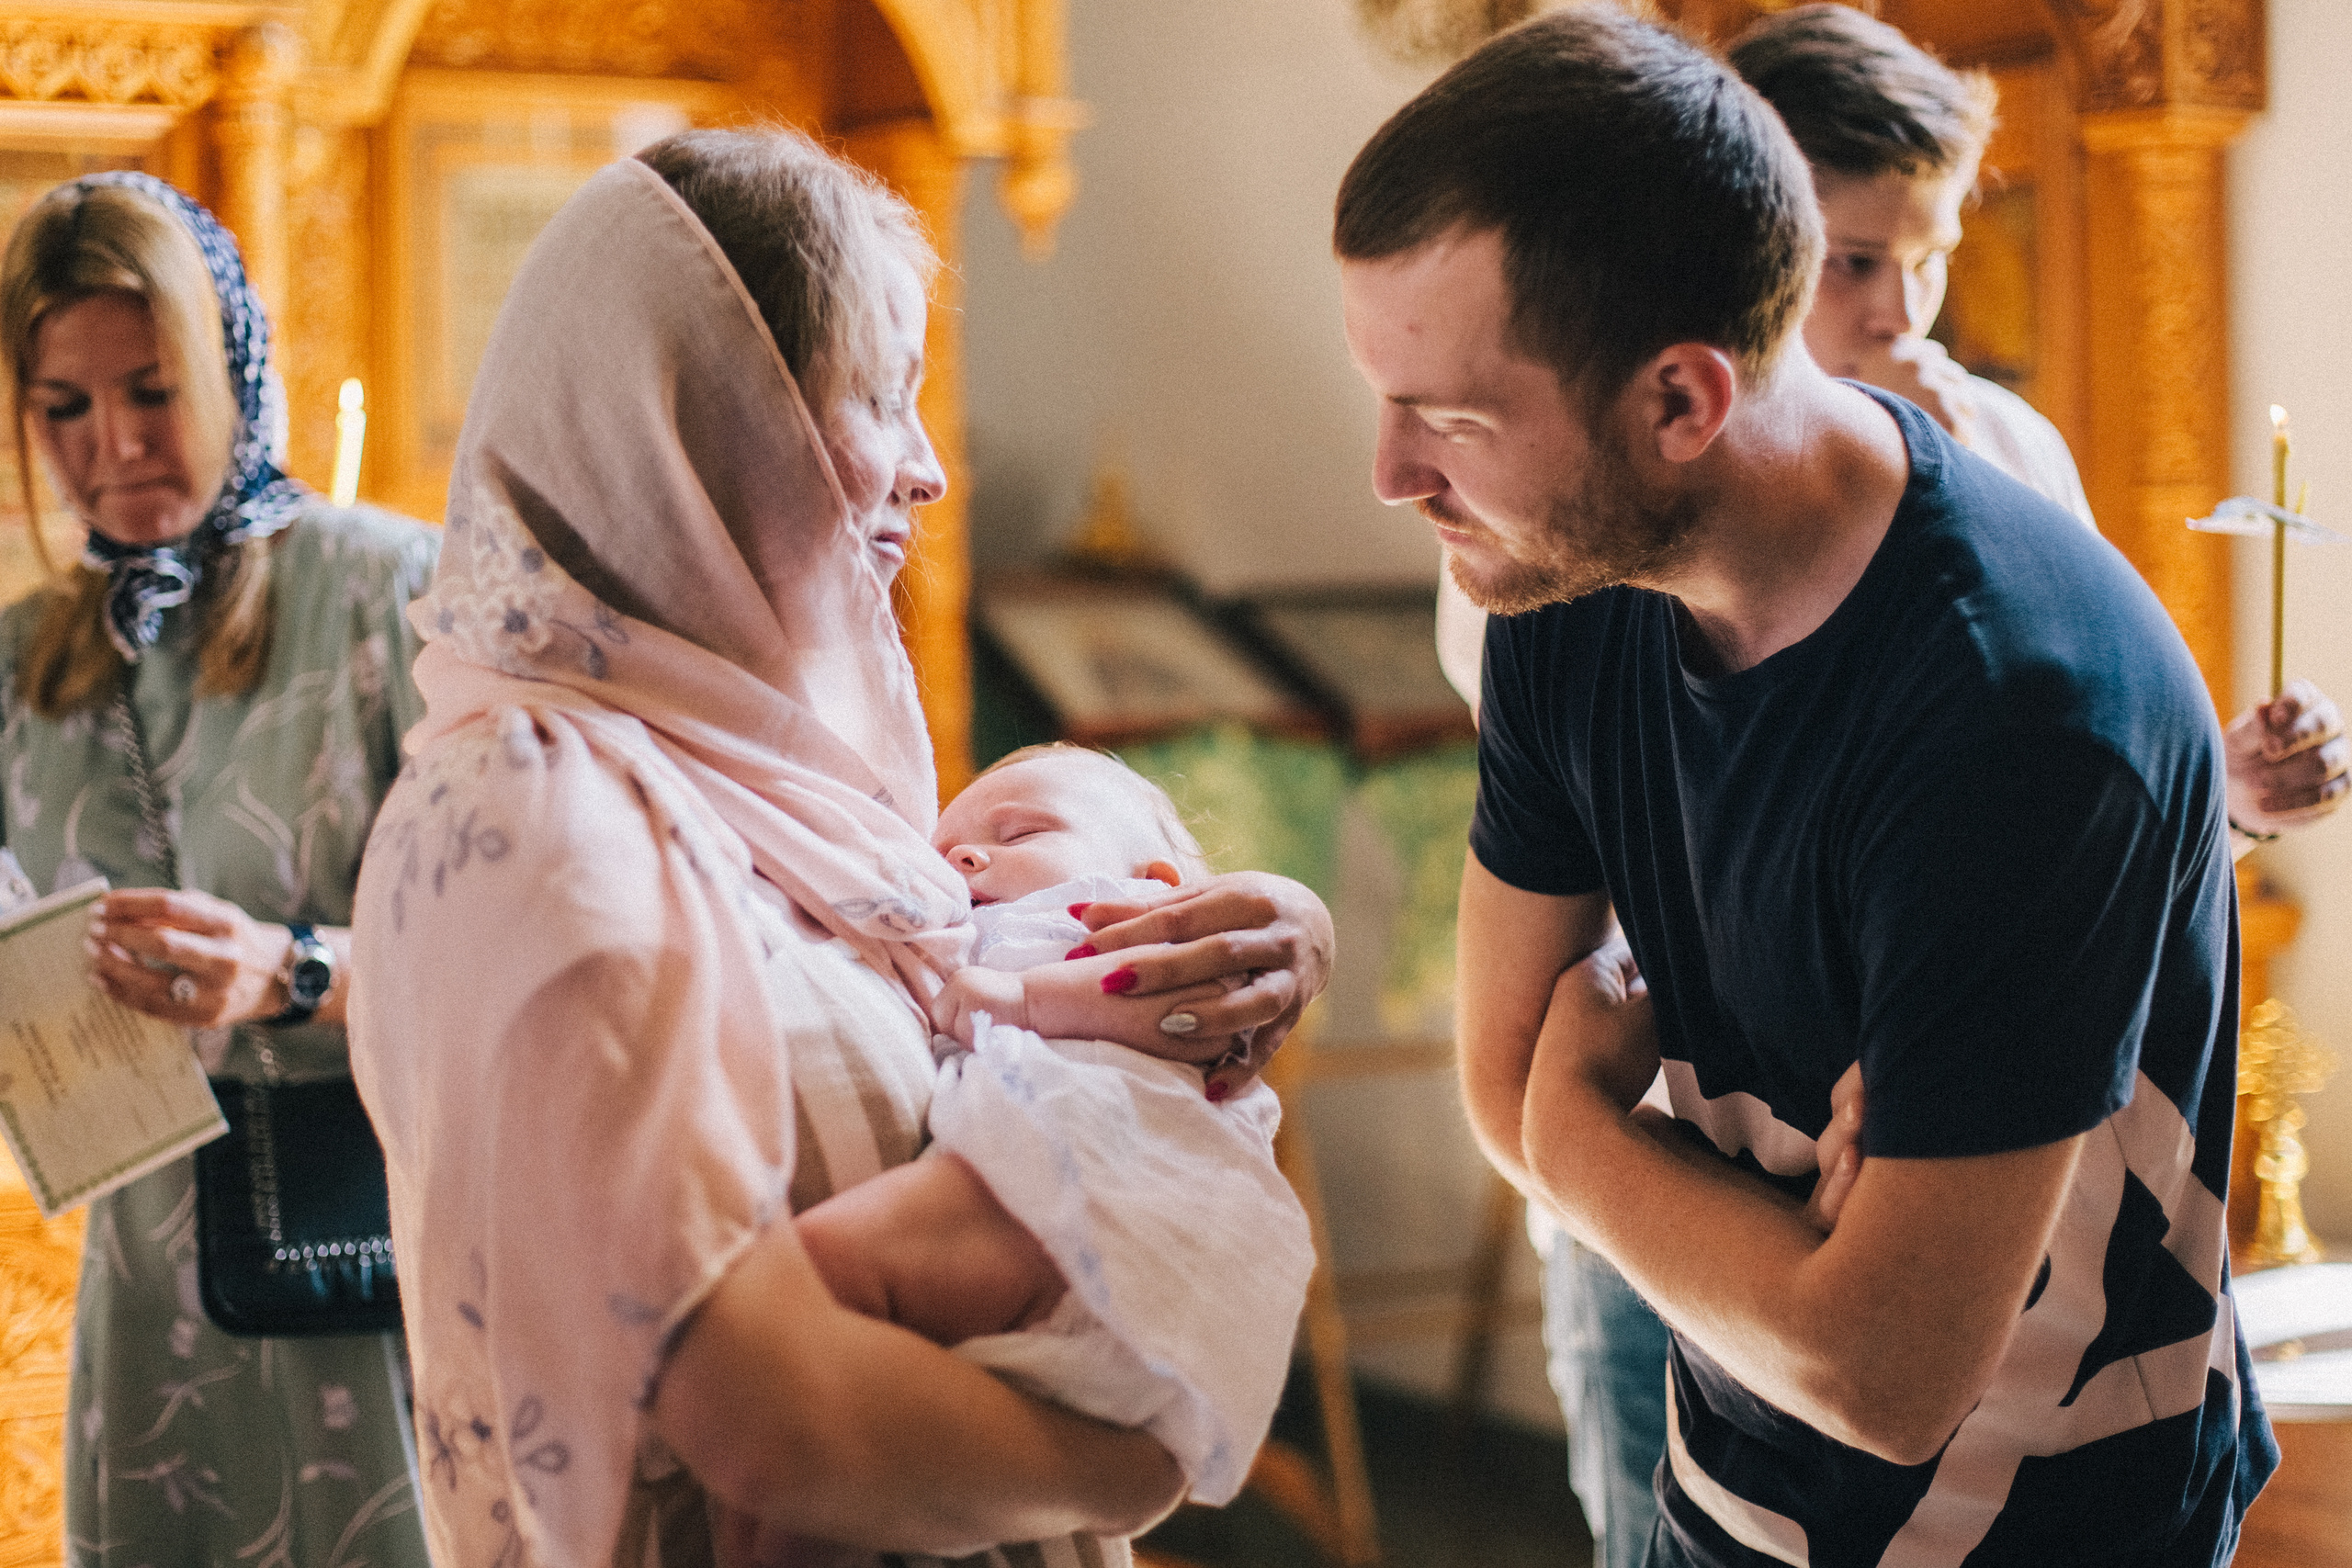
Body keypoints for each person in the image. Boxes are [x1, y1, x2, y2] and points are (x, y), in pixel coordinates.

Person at [1337, 10, 2272, 1566]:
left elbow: (1887, 1368)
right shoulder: (1559, 596)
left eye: (1448, 416)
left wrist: (1588, 1138)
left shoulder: (2021, 712)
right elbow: (1500, 1084)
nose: (1389, 474)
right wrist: (1661, 1183)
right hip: (1725, 1508)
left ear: (1685, 404)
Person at [349, 130, 1333, 1568]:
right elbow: (783, 1431)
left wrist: (1250, 935)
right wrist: (1139, 1459)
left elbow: (999, 1023)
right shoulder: (539, 814)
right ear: (700, 417)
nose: (931, 472)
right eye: (881, 396)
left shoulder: (779, 781)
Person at [0, 175, 435, 1562]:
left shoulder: (390, 593)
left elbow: (555, 950)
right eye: (63, 407)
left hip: (383, 1273)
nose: (114, 445)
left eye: (152, 387)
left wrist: (292, 968)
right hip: (151, 1304)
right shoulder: (25, 660)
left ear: (232, 365)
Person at [797, 742, 1315, 1511]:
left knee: (805, 1285)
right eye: (947, 851)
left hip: (1103, 1192)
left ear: (1158, 888)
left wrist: (1025, 999)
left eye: (1021, 834)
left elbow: (1181, 1022)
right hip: (1066, 1217)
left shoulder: (1156, 943)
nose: (966, 854)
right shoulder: (970, 935)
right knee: (823, 1421)